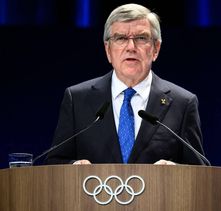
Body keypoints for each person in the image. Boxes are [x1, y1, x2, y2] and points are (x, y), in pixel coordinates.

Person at [45, 3, 206, 165]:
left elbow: (202, 172)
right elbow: (54, 163)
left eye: (141, 38)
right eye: (121, 38)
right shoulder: (77, 99)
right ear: (108, 50)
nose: (131, 47)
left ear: (156, 48)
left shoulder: (183, 103)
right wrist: (73, 168)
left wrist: (178, 171)